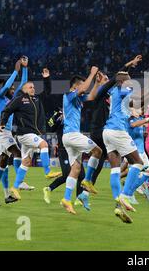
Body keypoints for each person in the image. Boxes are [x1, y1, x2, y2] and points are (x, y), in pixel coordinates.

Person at [0, 68, 61, 200]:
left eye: (33, 87)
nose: (33, 89)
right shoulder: (19, 100)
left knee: (26, 161)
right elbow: (6, 110)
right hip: (25, 133)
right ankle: (47, 171)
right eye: (30, 87)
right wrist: (2, 122)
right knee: (44, 145)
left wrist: (46, 78)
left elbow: (48, 92)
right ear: (24, 89)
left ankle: (15, 188)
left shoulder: (37, 99)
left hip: (33, 134)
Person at [88, 55, 143, 190]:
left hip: (105, 130)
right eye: (106, 79)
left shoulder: (111, 94)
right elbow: (117, 79)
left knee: (104, 158)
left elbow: (119, 79)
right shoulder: (102, 92)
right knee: (134, 162)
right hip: (102, 129)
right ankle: (125, 191)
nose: (108, 80)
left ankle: (87, 186)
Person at [102, 68, 147, 223]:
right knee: (138, 163)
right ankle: (125, 195)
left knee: (115, 169)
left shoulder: (115, 91)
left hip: (107, 131)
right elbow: (137, 100)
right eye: (128, 79)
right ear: (121, 81)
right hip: (117, 130)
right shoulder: (122, 89)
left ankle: (117, 205)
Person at [0, 57, 29, 205]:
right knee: (18, 153)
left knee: (3, 163)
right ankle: (19, 182)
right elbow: (7, 87)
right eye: (10, 88)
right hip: (1, 131)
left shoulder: (12, 99)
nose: (12, 90)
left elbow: (23, 85)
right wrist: (15, 71)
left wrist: (25, 69)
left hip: (7, 133)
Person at [60, 66, 103, 215]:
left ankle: (66, 199)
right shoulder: (69, 95)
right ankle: (88, 180)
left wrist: (97, 83)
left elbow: (91, 97)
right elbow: (83, 89)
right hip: (72, 135)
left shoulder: (77, 98)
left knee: (76, 169)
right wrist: (91, 74)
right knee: (98, 151)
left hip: (69, 137)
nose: (85, 87)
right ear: (76, 85)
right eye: (82, 84)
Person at [43, 109, 88, 209]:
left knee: (81, 175)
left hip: (74, 148)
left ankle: (78, 199)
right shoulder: (59, 113)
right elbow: (51, 127)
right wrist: (58, 119)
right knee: (67, 174)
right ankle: (48, 189)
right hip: (63, 149)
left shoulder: (75, 113)